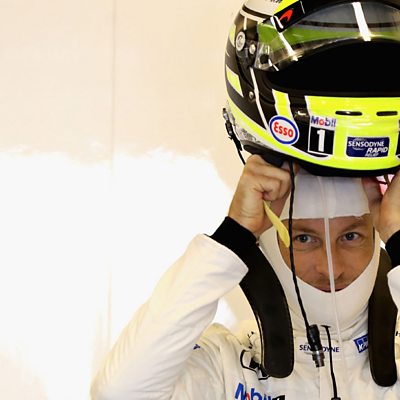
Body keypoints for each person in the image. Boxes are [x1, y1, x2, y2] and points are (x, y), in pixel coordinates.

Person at [90, 0, 400, 398]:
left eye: (351, 236)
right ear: (264, 241)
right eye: (303, 238)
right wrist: (233, 235)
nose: (331, 268)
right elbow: (118, 393)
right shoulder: (225, 365)